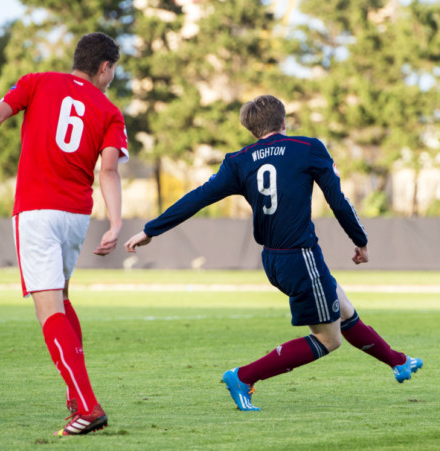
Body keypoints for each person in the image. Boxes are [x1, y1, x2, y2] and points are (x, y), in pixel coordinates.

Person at [124, 94, 422, 411]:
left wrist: (150, 230)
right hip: (300, 257)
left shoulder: (239, 160)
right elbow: (337, 199)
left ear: (252, 131)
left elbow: (197, 198)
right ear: (284, 121)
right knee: (328, 339)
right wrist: (359, 239)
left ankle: (398, 362)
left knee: (343, 308)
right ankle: (243, 377)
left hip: (273, 259)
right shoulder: (308, 148)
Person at [0, 33, 129, 436]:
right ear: (104, 67)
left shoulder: (36, 81)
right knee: (63, 300)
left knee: (47, 309)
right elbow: (108, 171)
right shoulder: (109, 110)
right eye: (112, 71)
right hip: (75, 216)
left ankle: (87, 406)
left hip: (36, 211)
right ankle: (76, 397)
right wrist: (117, 222)